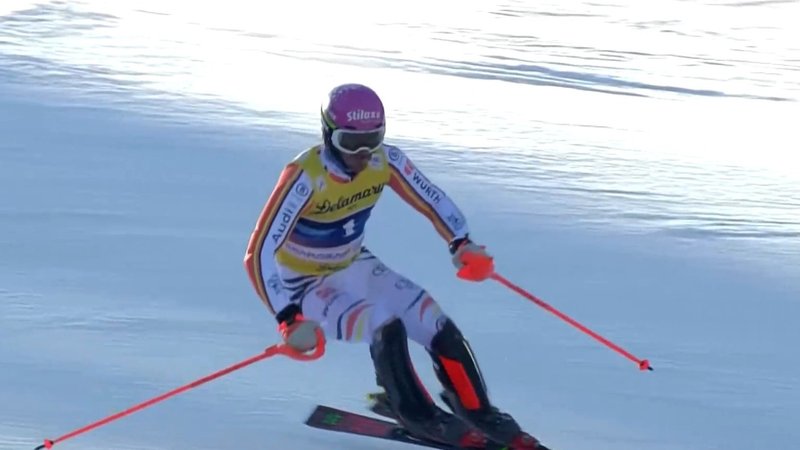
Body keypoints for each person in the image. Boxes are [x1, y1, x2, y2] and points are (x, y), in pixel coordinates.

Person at [243, 83, 544, 449]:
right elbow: (258, 252)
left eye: (374, 139)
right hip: (304, 286)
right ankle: (417, 415)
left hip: (354, 264)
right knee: (384, 325)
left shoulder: (386, 160)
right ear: (327, 135)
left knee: (433, 319)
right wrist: (288, 319)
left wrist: (462, 243)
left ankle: (480, 411)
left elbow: (433, 199)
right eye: (352, 144)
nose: (364, 154)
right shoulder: (306, 177)